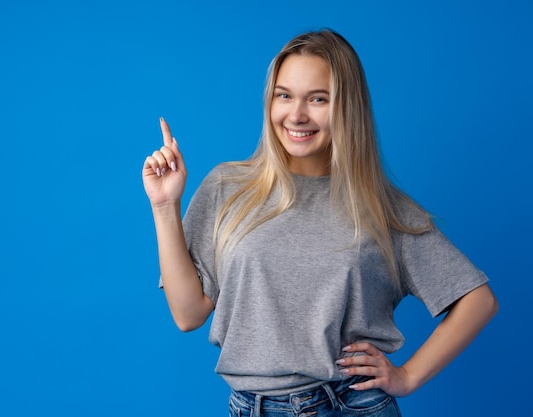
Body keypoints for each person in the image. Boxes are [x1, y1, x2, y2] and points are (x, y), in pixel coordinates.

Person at [142, 29, 498, 417]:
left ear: (347, 107)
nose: (296, 115)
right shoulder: (228, 188)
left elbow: (478, 300)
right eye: (285, 95)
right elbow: (188, 313)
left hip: (351, 405)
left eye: (318, 99)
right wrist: (164, 206)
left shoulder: (382, 209)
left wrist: (408, 376)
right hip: (251, 406)